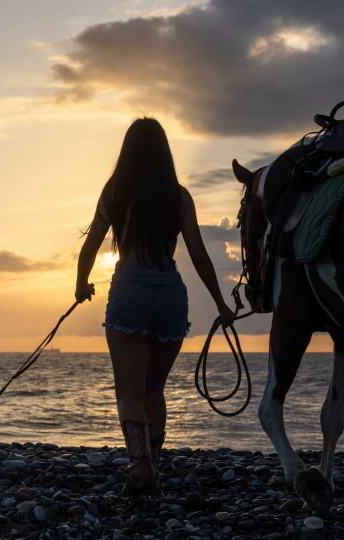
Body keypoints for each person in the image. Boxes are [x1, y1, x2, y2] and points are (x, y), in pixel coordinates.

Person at [75, 117, 236, 497]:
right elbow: (198, 255)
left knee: (129, 393)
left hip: (130, 290)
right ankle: (150, 468)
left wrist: (81, 286)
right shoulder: (179, 196)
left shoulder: (114, 192)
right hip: (171, 293)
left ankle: (141, 465)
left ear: (127, 153)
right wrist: (220, 304)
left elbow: (91, 244)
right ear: (165, 153)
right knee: (154, 390)